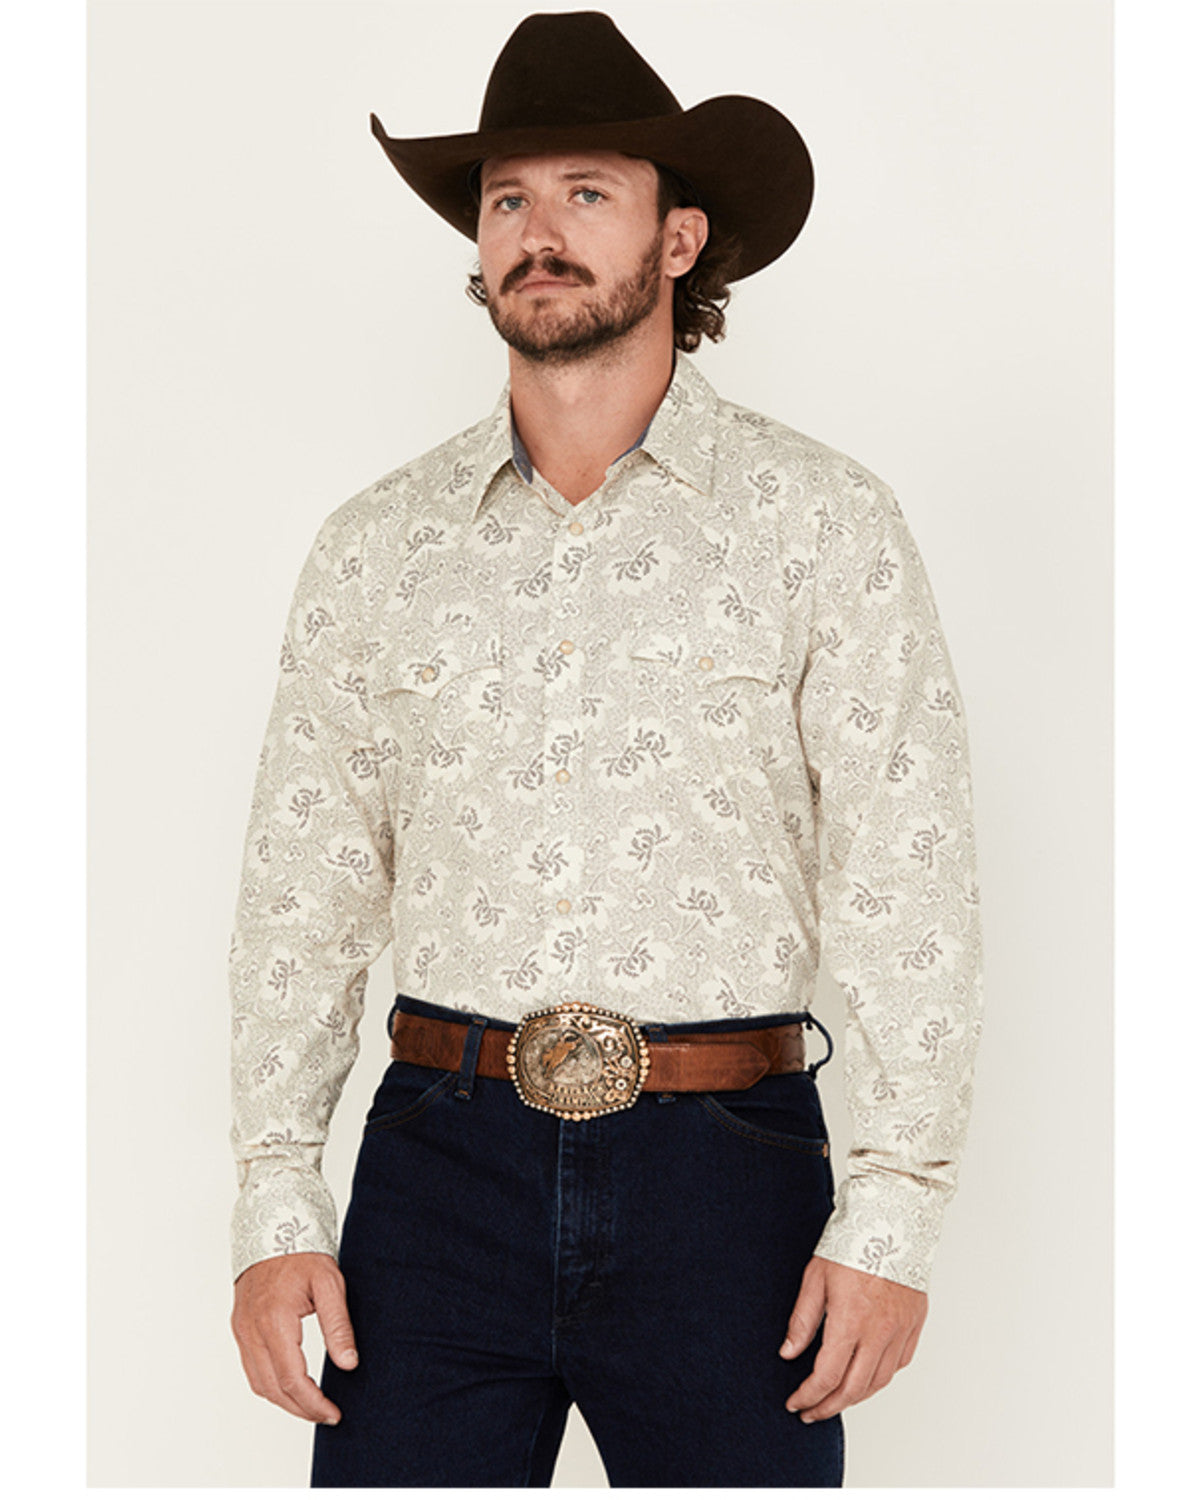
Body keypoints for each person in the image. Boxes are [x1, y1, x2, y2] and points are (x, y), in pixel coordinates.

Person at [228, 10, 983, 1488]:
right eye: (507, 199)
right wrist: (275, 1201)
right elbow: (302, 889)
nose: (539, 233)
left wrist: (893, 1217)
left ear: (679, 238)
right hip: (438, 1171)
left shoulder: (823, 525)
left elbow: (909, 874)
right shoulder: (378, 547)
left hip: (727, 1177)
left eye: (587, 193)